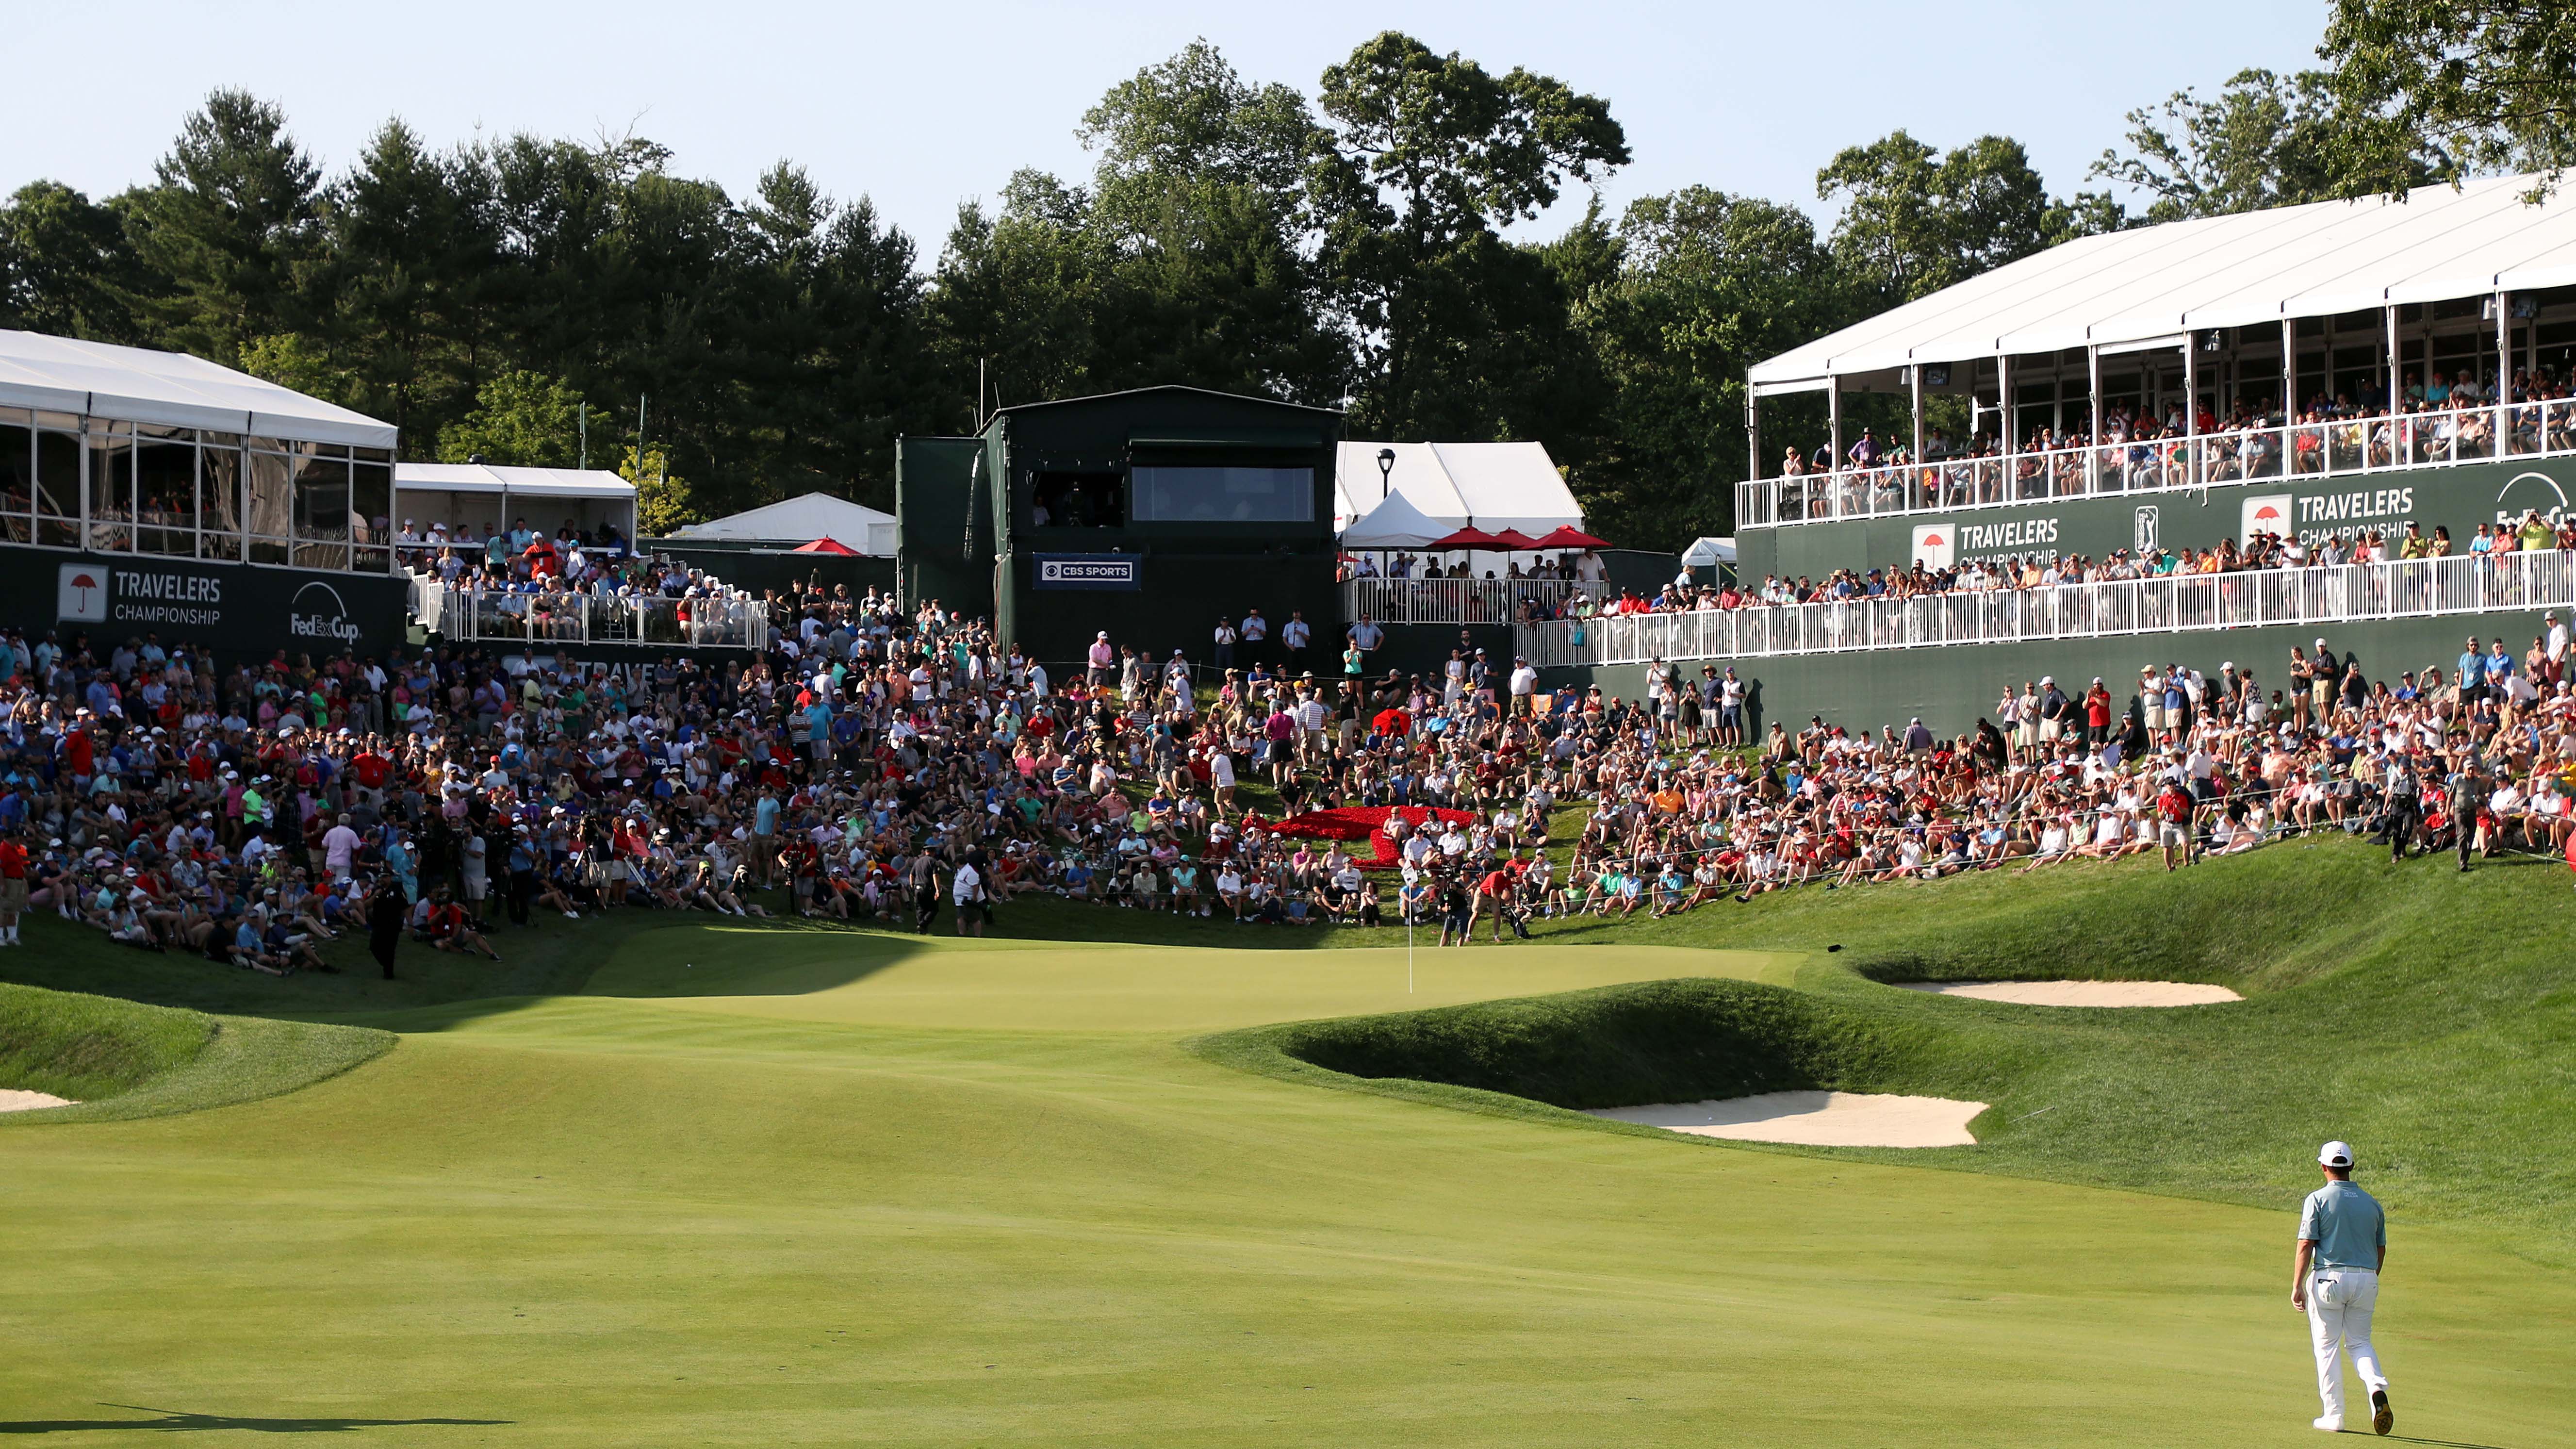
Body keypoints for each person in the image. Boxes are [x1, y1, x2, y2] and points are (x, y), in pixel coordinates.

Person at [2294, 1141, 2392, 1436]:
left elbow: (2306, 1244)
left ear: (2324, 1167)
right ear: (2350, 1168)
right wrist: (2368, 1278)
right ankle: (2376, 1388)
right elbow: (2380, 1249)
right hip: (2366, 1279)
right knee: (2360, 1343)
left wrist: (2297, 1285)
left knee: (2327, 1348)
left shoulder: (2317, 1199)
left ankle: (2334, 1415)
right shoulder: (2372, 1203)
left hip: (2328, 1280)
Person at [367, 872, 407, 980]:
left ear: (390, 878)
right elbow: (367, 904)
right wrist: (375, 895)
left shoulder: (398, 890)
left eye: (385, 877)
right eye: (381, 877)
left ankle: (388, 973)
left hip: (392, 924)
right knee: (374, 946)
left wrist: (407, 923)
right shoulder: (376, 890)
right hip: (378, 923)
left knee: (390, 949)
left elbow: (404, 907)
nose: (383, 879)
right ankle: (386, 965)